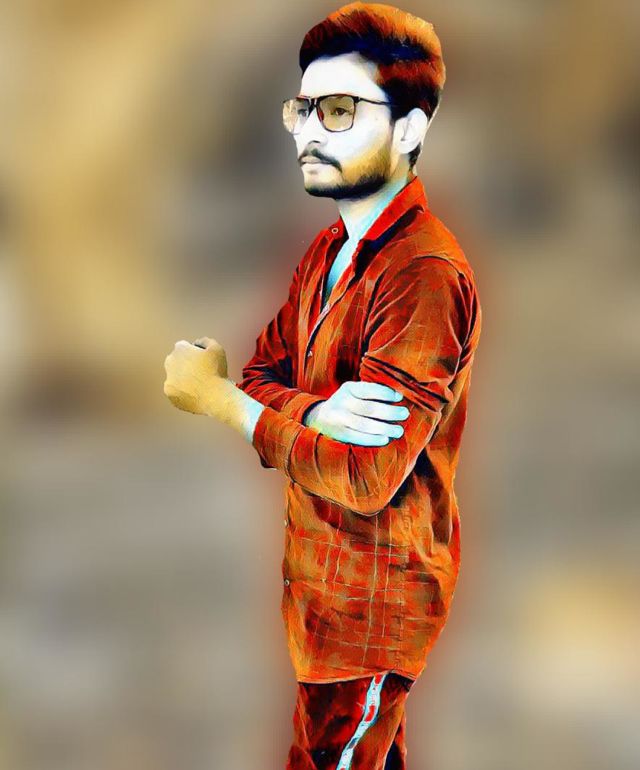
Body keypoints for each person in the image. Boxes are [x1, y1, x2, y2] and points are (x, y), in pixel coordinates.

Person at [163, 3, 482, 767]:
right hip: (319, 601)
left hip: (373, 613)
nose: (309, 131)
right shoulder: (326, 250)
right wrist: (316, 409)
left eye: (338, 110)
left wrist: (222, 404)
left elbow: (367, 477)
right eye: (301, 109)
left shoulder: (423, 274)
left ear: (410, 129)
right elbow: (264, 371)